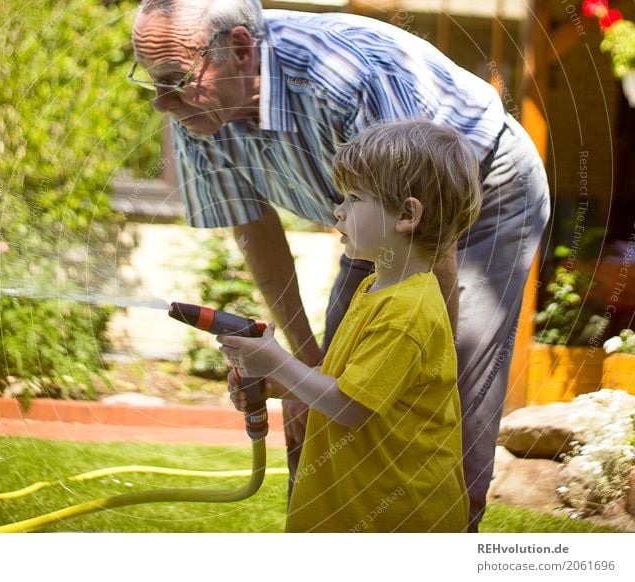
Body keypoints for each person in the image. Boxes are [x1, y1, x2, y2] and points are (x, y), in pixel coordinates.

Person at [129, 0, 550, 531]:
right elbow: (253, 226)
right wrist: (298, 371)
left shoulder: (343, 75)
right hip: (376, 217)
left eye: (174, 78)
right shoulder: (199, 113)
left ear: (237, 48)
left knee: (449, 396)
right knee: (327, 389)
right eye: (151, 83)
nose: (162, 103)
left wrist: (421, 353)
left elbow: (420, 221)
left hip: (486, 187)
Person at [219, 119, 479, 532]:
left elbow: (351, 406)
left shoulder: (407, 312)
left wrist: (275, 361)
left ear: (407, 214)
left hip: (392, 520)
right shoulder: (377, 289)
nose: (338, 209)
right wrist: (278, 385)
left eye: (354, 198)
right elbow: (350, 383)